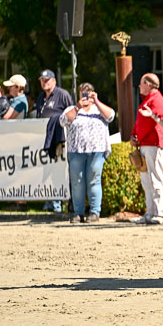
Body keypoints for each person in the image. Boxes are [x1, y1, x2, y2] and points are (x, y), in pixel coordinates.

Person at [60, 83, 115, 223]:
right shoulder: (72, 109)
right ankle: (78, 213)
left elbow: (111, 116)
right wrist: (78, 107)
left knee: (94, 181)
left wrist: (96, 101)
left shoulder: (99, 109)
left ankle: (95, 212)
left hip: (97, 151)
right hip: (76, 150)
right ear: (79, 94)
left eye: (88, 92)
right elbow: (63, 120)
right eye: (83, 93)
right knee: (77, 183)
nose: (86, 95)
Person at [130, 73, 163, 225]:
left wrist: (138, 135)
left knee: (156, 179)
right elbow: (140, 121)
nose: (139, 86)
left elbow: (159, 122)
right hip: (145, 144)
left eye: (141, 83)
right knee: (147, 181)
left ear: (148, 84)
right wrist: (134, 135)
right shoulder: (148, 99)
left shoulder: (157, 99)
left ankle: (161, 213)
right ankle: (150, 212)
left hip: (154, 144)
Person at [36, 69, 74, 212]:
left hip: (60, 141)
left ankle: (61, 202)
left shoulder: (62, 95)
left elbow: (72, 113)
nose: (44, 82)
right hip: (46, 140)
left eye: (47, 80)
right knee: (47, 171)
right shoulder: (41, 97)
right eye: (42, 80)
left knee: (60, 171)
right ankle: (50, 201)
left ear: (54, 81)